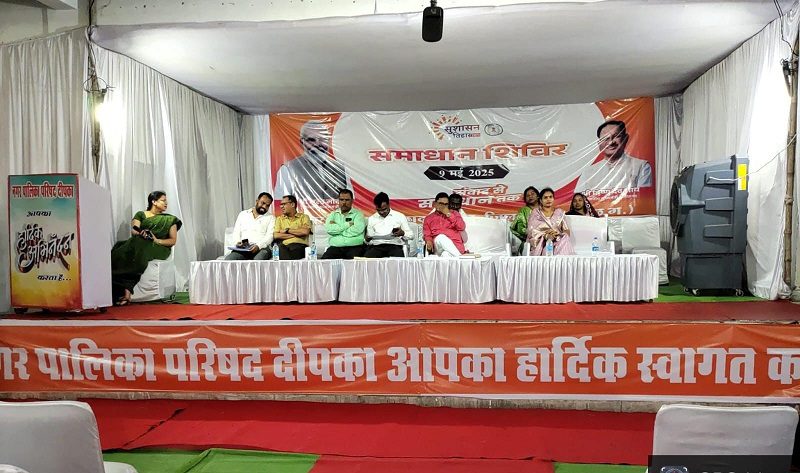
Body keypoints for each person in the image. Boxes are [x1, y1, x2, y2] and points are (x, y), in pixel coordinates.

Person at [110, 191, 182, 305]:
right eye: (163, 200)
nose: (166, 203)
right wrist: (141, 233)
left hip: (159, 247)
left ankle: (126, 291)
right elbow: (134, 230)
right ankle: (115, 289)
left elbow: (172, 241)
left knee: (140, 248)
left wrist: (156, 240)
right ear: (154, 202)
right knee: (119, 249)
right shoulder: (141, 214)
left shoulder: (170, 219)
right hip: (139, 242)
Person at [273, 120, 352, 217]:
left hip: (337, 224)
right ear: (302, 142)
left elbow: (352, 203)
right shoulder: (288, 169)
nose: (318, 144)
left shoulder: (341, 169)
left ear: (328, 141)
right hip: (303, 224)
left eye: (323, 139)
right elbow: (281, 206)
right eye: (311, 140)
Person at [576, 119, 653, 192]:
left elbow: (643, 198)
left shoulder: (641, 166)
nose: (611, 142)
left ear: (625, 138)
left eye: (616, 136)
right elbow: (578, 199)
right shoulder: (588, 173)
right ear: (599, 144)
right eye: (605, 138)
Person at [225, 192, 276, 260]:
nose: (264, 207)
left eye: (267, 205)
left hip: (261, 248)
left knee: (257, 260)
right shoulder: (243, 214)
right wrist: (237, 242)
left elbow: (270, 236)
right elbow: (236, 232)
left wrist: (258, 246)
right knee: (229, 260)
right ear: (257, 201)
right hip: (243, 248)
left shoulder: (271, 218)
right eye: (263, 203)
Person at [527, 187, 574, 256]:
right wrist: (546, 236)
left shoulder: (559, 213)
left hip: (558, 242)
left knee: (565, 238)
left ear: (553, 199)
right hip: (542, 244)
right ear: (541, 200)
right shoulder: (536, 213)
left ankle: (561, 261)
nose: (548, 199)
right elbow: (531, 232)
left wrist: (557, 234)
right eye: (545, 197)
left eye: (550, 197)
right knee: (548, 246)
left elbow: (566, 230)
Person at [364, 192, 412, 258]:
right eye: (378, 210)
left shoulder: (400, 216)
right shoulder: (372, 219)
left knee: (398, 257)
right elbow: (367, 241)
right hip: (377, 246)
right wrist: (367, 239)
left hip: (394, 245)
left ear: (389, 205)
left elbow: (411, 235)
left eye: (384, 209)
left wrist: (403, 233)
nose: (381, 212)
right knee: (367, 258)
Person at [321, 189, 366, 259]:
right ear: (338, 201)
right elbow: (329, 229)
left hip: (354, 247)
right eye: (341, 200)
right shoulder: (333, 214)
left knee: (355, 263)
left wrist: (339, 232)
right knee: (324, 262)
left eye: (347, 200)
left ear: (352, 201)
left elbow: (357, 229)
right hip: (336, 247)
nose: (344, 202)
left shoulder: (358, 214)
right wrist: (347, 225)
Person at [423, 192, 466, 257]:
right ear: (435, 204)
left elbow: (461, 227)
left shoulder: (454, 213)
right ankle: (460, 258)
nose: (443, 206)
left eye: (446, 204)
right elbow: (427, 235)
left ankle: (458, 257)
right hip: (438, 246)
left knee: (445, 254)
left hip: (455, 246)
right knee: (441, 237)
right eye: (441, 203)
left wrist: (449, 215)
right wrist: (428, 241)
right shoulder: (428, 218)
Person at [273, 195, 312, 260]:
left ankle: (287, 265)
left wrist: (287, 230)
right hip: (284, 246)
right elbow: (276, 235)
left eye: (284, 204)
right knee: (279, 249)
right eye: (281, 204)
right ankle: (289, 265)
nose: (281, 206)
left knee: (289, 253)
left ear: (292, 204)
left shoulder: (304, 217)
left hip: (299, 245)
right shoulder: (279, 219)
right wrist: (298, 234)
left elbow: (305, 232)